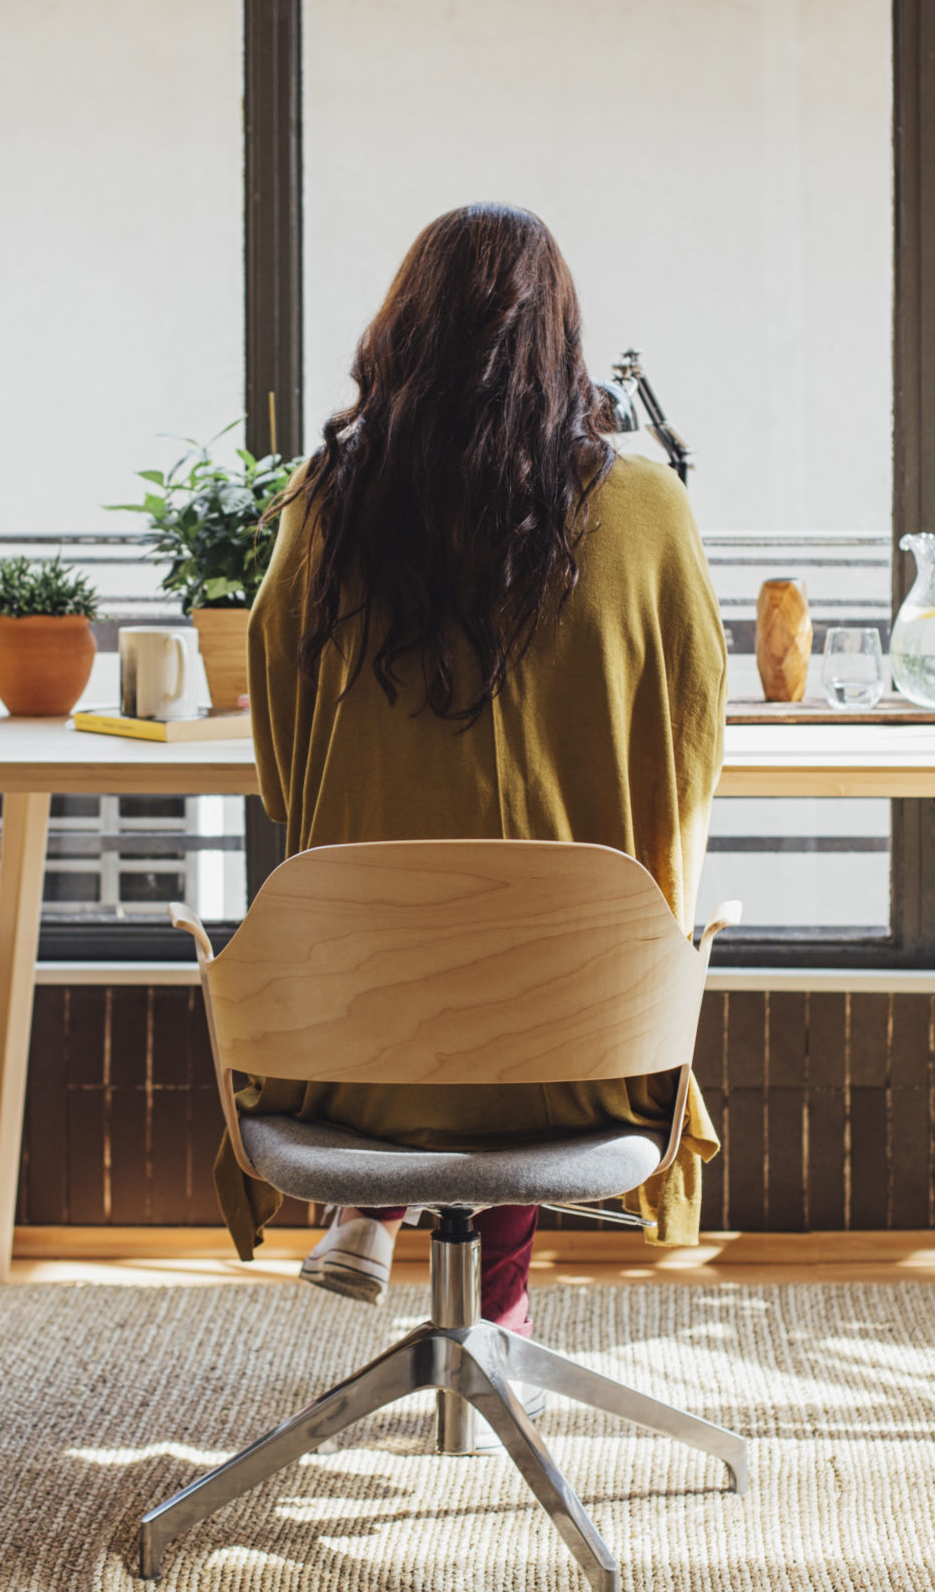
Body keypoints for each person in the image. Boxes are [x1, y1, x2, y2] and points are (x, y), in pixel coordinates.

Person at [213, 202, 728, 1343]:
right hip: (588, 1050)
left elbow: (282, 770)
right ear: (563, 343)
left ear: (400, 334)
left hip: (347, 1051)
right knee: (542, 932)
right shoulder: (645, 510)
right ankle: (497, 1321)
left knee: (428, 933)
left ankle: (378, 1206)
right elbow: (688, 749)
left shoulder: (323, 505)